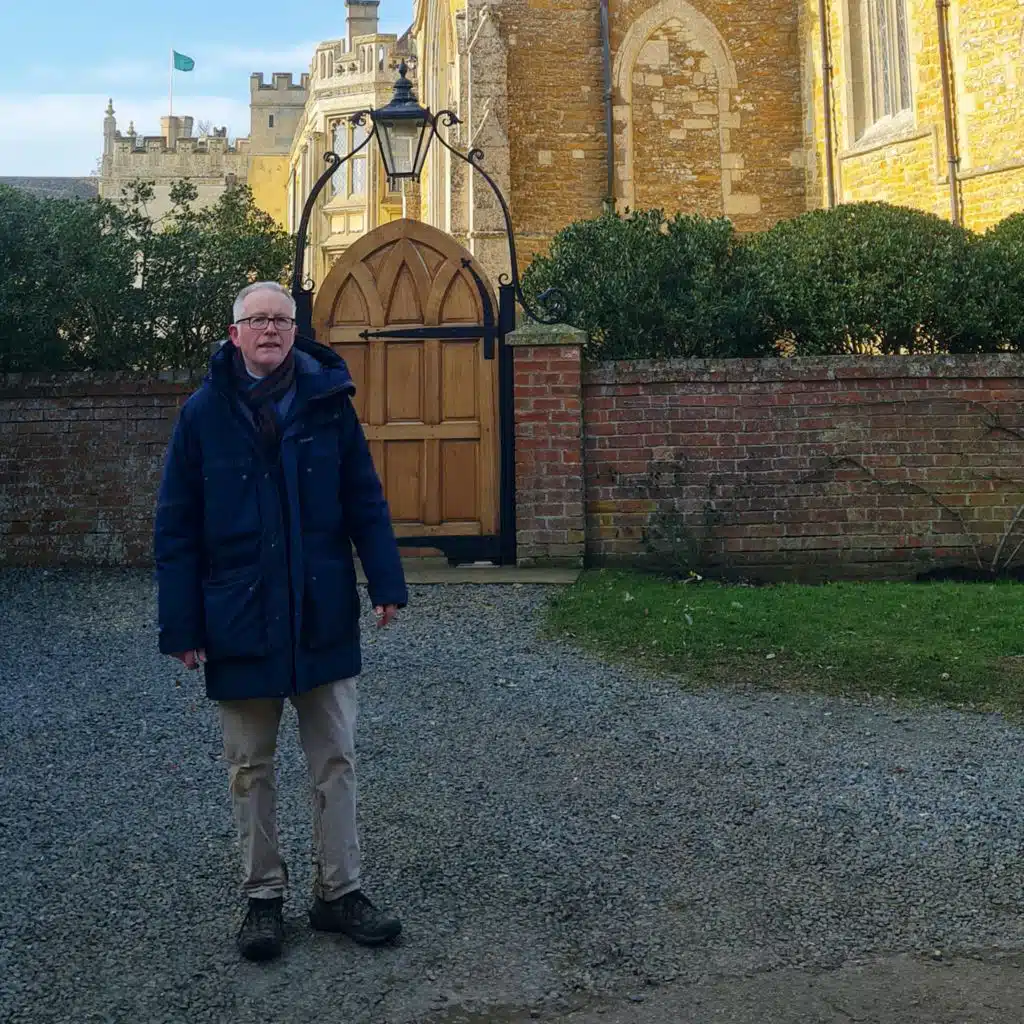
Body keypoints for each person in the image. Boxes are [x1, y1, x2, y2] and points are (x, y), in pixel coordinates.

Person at [154, 281, 407, 962]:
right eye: (257, 320)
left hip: (321, 608)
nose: (270, 329)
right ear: (234, 333)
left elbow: (364, 497)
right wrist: (181, 625)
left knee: (336, 760)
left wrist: (385, 580)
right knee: (250, 767)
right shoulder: (202, 415)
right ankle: (262, 898)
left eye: (281, 320)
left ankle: (340, 892)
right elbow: (175, 525)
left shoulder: (329, 403)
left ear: (295, 331)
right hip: (237, 614)